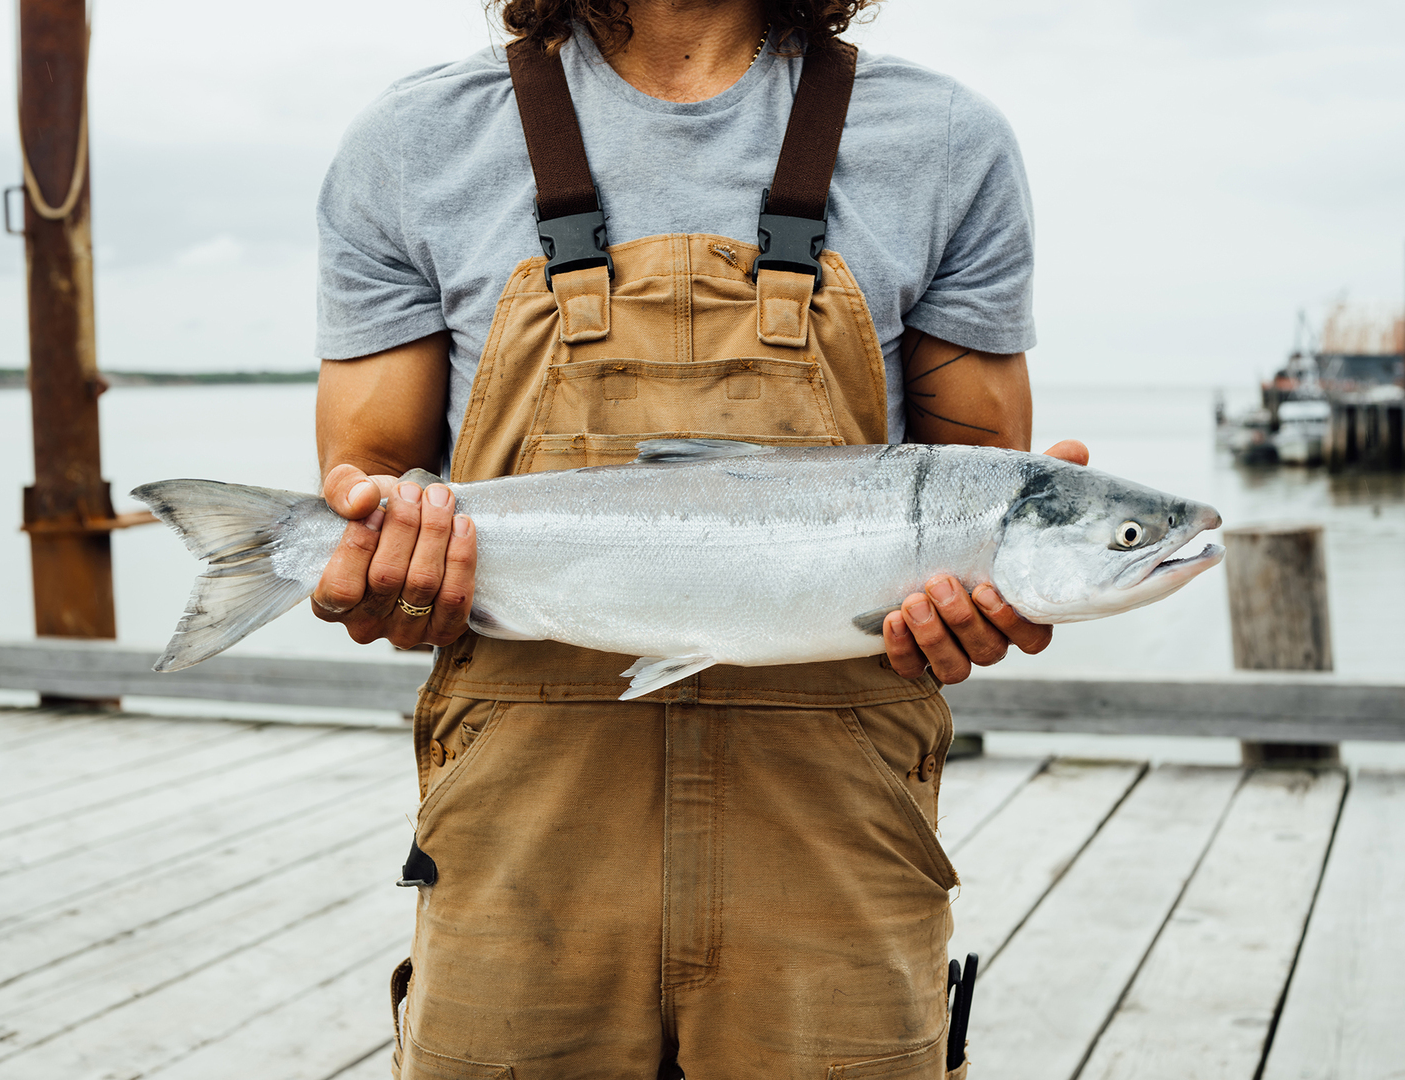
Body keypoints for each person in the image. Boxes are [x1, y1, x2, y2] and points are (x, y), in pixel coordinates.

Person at [310, 2, 1086, 1076]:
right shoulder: (415, 143)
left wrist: (978, 611)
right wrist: (381, 570)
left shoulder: (946, 142)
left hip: (835, 835)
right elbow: (369, 488)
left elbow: (972, 494)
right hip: (522, 835)